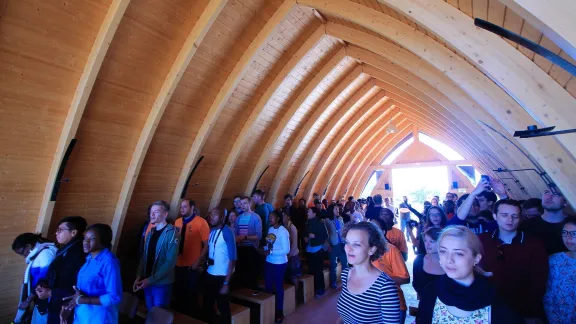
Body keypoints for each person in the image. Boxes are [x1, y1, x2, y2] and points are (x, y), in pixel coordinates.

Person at [417, 226, 522, 323]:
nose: (449, 260)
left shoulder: (498, 300)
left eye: (458, 253)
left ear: (476, 258)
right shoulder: (430, 292)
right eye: (443, 252)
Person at [479, 199, 548, 321]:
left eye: (514, 216)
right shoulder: (482, 241)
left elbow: (539, 279)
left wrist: (530, 312)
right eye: (504, 215)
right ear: (495, 216)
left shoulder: (534, 244)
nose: (510, 220)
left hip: (523, 309)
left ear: (520, 218)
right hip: (488, 307)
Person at [336, 222, 400, 323]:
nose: (348, 249)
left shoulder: (385, 288)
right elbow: (345, 316)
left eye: (356, 244)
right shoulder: (346, 274)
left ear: (371, 250)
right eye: (347, 242)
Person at [60, 224, 122, 324]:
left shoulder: (109, 262)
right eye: (85, 238)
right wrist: (70, 305)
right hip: (83, 315)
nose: (86, 242)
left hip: (99, 318)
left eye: (92, 238)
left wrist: (81, 300)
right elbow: (83, 293)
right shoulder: (89, 259)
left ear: (103, 241)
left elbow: (114, 297)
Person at [37, 216, 87, 324]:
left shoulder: (78, 252)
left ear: (73, 232)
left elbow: (75, 284)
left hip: (66, 305)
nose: (56, 233)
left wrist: (51, 292)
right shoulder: (66, 248)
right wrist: (43, 284)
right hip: (56, 299)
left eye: (60, 230)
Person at [134, 200, 179, 310]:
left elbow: (170, 262)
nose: (152, 214)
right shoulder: (151, 232)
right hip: (147, 280)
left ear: (165, 214)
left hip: (161, 283)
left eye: (156, 212)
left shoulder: (172, 233)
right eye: (151, 212)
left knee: (159, 314)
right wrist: (139, 275)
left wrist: (150, 280)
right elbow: (144, 256)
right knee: (151, 313)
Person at [173, 199, 209, 316]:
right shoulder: (177, 222)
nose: (182, 209)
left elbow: (207, 245)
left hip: (192, 265)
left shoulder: (201, 222)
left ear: (192, 208)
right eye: (181, 207)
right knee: (178, 292)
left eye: (185, 206)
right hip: (178, 264)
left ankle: (192, 317)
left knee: (191, 294)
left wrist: (198, 261)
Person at [370, 218, 410, 323]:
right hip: (371, 306)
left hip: (392, 305)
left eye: (374, 228)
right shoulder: (364, 250)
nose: (370, 231)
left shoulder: (390, 249)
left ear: (383, 232)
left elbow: (405, 278)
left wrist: (379, 282)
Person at [12, 233, 57, 324]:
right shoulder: (38, 254)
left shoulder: (46, 254)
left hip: (46, 300)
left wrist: (28, 300)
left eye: (21, 253)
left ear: (28, 246)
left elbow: (43, 280)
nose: (22, 256)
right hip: (38, 297)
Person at [202, 207, 237, 324]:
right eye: (211, 214)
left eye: (215, 214)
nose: (211, 216)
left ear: (222, 218)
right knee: (207, 306)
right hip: (210, 273)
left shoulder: (227, 232)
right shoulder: (211, 231)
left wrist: (226, 283)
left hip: (222, 276)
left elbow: (233, 259)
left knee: (223, 308)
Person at [543, 217, 576, 324]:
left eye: (574, 233)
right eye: (565, 232)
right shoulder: (554, 260)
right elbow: (548, 295)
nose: (568, 238)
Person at [520, 188, 568, 255]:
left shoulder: (572, 226)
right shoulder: (525, 226)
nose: (549, 197)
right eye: (547, 192)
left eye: (556, 194)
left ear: (565, 202)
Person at [263, 210, 290, 323]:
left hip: (279, 263)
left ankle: (279, 311)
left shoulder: (283, 232)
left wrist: (271, 252)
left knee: (278, 287)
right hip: (269, 261)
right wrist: (264, 250)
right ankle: (269, 308)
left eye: (272, 217)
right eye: (269, 217)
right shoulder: (270, 229)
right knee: (268, 286)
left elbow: (286, 250)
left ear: (278, 218)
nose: (270, 219)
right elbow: (268, 244)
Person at [233, 196, 262, 289]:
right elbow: (236, 233)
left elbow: (259, 235)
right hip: (241, 248)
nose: (242, 205)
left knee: (251, 275)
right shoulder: (238, 218)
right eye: (241, 203)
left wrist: (245, 237)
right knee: (241, 274)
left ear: (250, 204)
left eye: (244, 203)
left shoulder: (256, 217)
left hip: (251, 249)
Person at [412, 228, 444, 298]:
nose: (427, 244)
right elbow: (415, 284)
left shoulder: (449, 261)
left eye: (432, 241)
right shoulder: (419, 260)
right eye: (425, 241)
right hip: (425, 301)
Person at [305, 207, 328, 297]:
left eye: (309, 211)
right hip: (310, 249)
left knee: (318, 270)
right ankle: (313, 288)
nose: (307, 213)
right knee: (311, 270)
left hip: (318, 249)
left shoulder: (320, 222)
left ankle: (320, 288)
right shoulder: (307, 222)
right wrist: (306, 237)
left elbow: (325, 236)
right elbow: (305, 233)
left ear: (314, 214)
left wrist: (314, 236)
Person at [325, 204, 348, 288]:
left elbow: (343, 230)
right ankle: (333, 282)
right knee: (333, 265)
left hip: (342, 243)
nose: (338, 210)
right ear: (331, 210)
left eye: (338, 209)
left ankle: (345, 280)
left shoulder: (340, 218)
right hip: (333, 244)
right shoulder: (327, 220)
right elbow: (326, 234)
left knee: (345, 263)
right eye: (335, 209)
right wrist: (328, 245)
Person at [281, 209, 302, 294]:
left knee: (293, 276)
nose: (282, 217)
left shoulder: (292, 227)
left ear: (288, 217)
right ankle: (290, 295)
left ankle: (296, 294)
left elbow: (294, 244)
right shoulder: (283, 227)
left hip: (292, 255)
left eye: (284, 215)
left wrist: (289, 255)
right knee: (287, 276)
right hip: (286, 255)